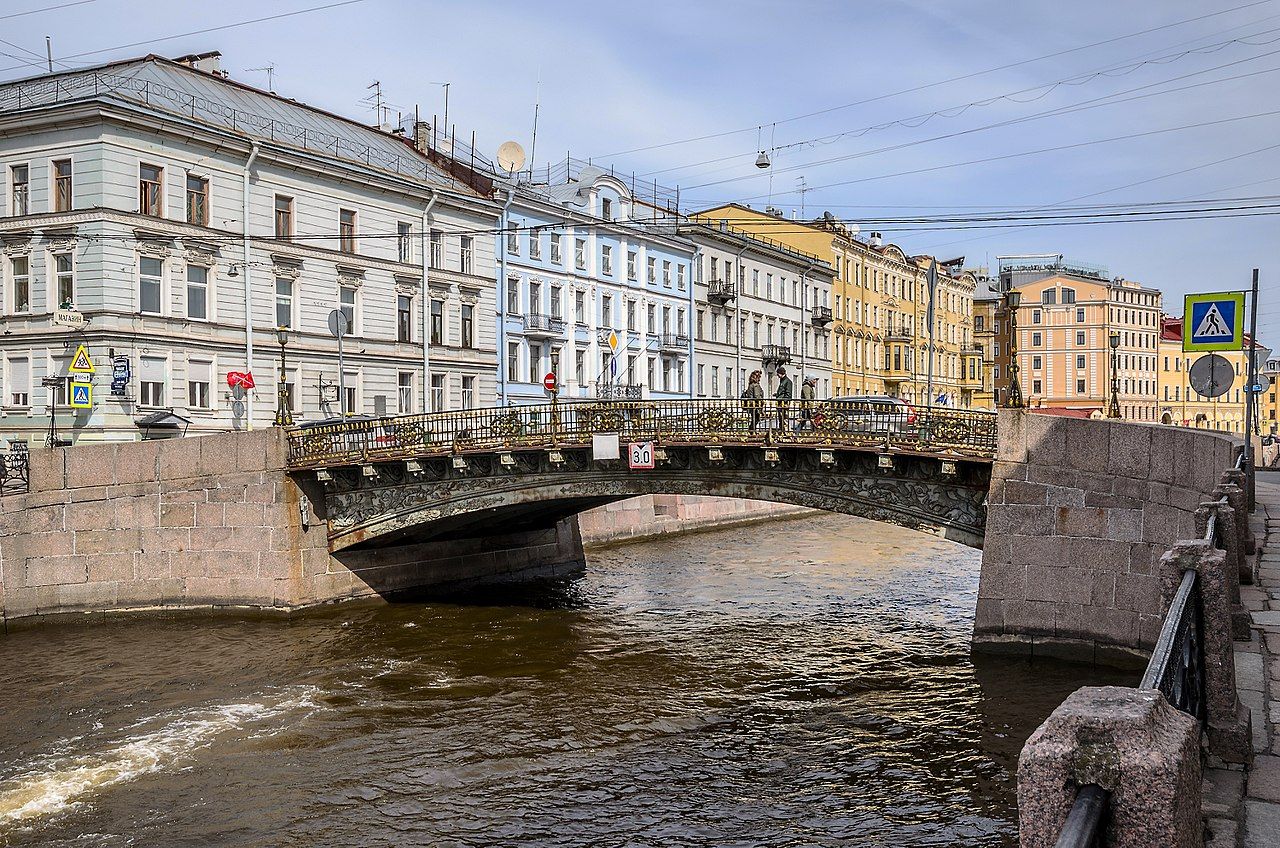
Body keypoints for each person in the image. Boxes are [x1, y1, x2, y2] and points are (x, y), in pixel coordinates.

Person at [774, 367, 793, 431]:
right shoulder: (782, 381)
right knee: (781, 418)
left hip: (784, 403)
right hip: (780, 402)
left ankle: (787, 431)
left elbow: (788, 394)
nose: (777, 375)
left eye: (778, 374)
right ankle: (782, 430)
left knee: (785, 418)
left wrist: (784, 401)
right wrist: (777, 395)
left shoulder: (787, 381)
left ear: (781, 373)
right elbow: (782, 392)